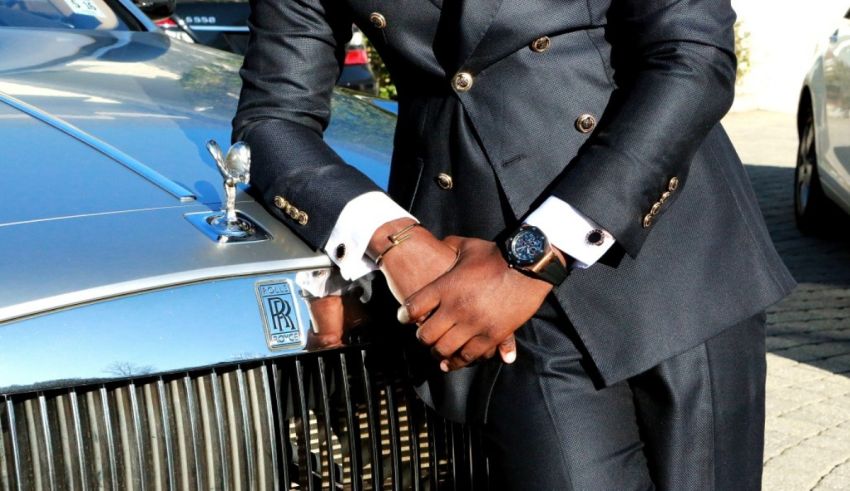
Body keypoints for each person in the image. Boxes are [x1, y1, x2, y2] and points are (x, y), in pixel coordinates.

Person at [233, 0, 796, 488]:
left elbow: (691, 56)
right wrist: (389, 241)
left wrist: (536, 254)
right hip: (478, 290)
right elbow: (272, 118)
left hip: (669, 253)